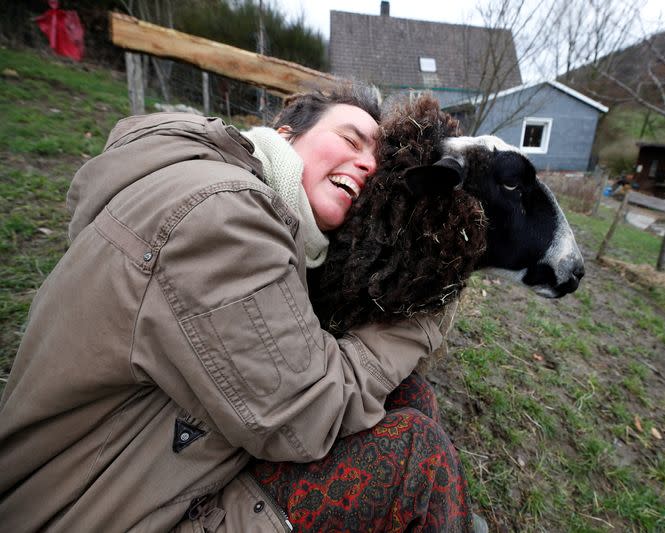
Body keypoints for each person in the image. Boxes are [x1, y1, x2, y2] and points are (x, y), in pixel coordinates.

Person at [0, 83, 474, 531]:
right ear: (285, 134)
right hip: (87, 513)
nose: (368, 164)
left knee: (409, 397)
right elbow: (303, 418)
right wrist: (426, 310)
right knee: (417, 461)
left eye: (378, 159)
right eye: (351, 140)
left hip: (146, 463)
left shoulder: (238, 203)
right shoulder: (227, 218)